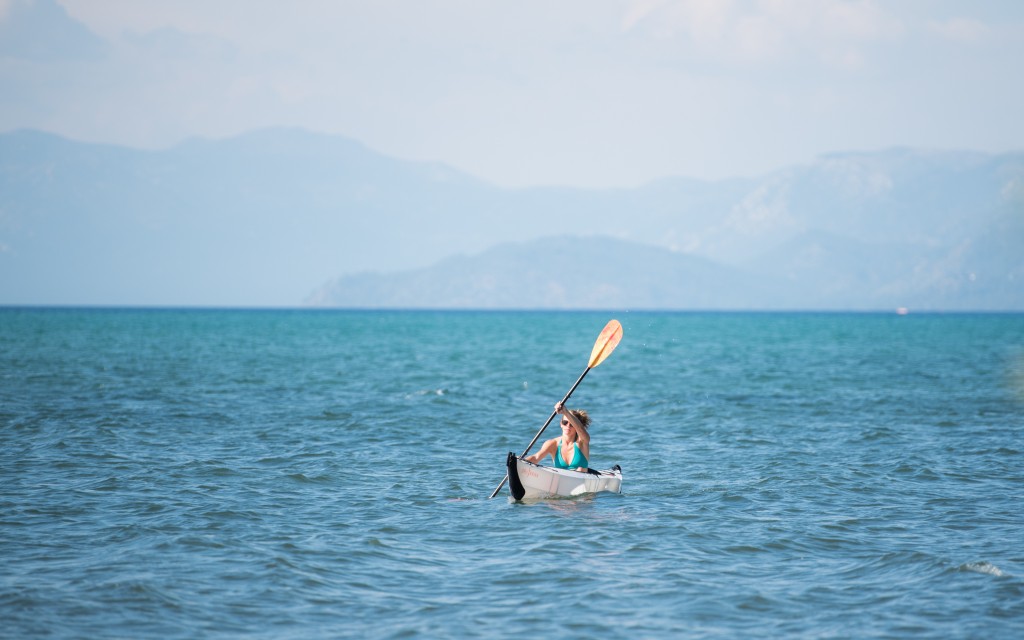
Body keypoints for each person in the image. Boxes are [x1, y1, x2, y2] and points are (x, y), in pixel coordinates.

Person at [525, 401, 591, 471]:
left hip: (581, 479)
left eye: (571, 424)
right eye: (565, 422)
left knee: (580, 469)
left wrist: (566, 412)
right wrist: (519, 462)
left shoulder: (582, 441)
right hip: (560, 479)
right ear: (561, 424)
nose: (568, 426)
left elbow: (580, 429)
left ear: (576, 427)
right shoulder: (553, 443)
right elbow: (535, 458)